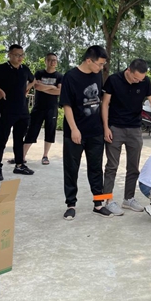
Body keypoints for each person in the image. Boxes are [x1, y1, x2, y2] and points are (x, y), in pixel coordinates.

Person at [101, 59, 151, 215]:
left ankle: (128, 198)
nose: (138, 81)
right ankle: (108, 200)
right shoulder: (113, 80)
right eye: (136, 78)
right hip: (115, 128)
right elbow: (104, 104)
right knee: (111, 166)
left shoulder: (145, 81)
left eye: (141, 79)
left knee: (133, 167)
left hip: (135, 129)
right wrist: (105, 127)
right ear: (128, 71)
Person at [59, 45, 112, 220]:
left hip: (95, 131)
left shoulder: (97, 74)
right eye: (100, 64)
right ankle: (71, 204)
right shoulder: (70, 76)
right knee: (71, 168)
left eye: (103, 64)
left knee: (96, 168)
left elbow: (100, 101)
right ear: (89, 60)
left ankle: (98, 204)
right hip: (75, 132)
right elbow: (66, 105)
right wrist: (74, 129)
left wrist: (104, 127)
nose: (101, 68)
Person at [0, 44, 35, 181]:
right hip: (7, 110)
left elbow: (33, 80)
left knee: (19, 139)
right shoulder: (2, 68)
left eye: (22, 55)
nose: (20, 58)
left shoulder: (24, 69)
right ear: (10, 55)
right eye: (17, 55)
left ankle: (19, 165)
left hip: (22, 110)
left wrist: (26, 89)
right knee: (2, 139)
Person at [8, 53, 63, 165]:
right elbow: (37, 86)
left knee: (50, 131)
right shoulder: (39, 73)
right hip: (38, 107)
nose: (53, 62)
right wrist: (51, 87)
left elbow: (59, 91)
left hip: (52, 107)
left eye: (55, 60)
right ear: (46, 61)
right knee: (31, 130)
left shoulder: (59, 76)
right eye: (50, 60)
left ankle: (45, 156)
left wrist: (44, 88)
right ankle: (21, 156)